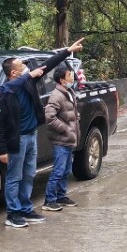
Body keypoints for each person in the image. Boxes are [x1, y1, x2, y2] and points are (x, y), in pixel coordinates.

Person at [0, 38, 84, 229]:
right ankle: (13, 213)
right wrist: (2, 149)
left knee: (28, 175)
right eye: (22, 66)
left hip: (31, 136)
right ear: (14, 73)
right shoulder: (4, 93)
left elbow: (48, 64)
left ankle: (26, 209)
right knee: (14, 177)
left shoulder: (29, 81)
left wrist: (67, 51)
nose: (27, 68)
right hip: (16, 140)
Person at [42, 64, 80, 211]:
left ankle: (61, 196)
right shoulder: (56, 95)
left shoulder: (69, 92)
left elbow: (68, 113)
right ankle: (49, 200)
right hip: (60, 140)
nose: (72, 78)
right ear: (62, 80)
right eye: (69, 76)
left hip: (68, 139)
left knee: (66, 170)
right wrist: (65, 129)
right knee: (58, 170)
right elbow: (50, 117)